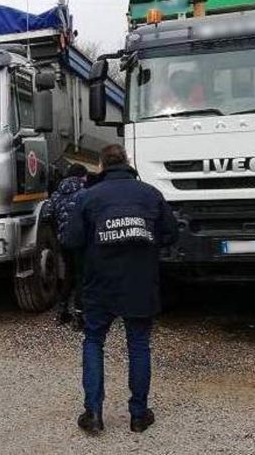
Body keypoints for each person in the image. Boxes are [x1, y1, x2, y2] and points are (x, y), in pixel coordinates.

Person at [63, 144, 178, 434]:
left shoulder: (89, 197)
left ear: (101, 165)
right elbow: (171, 234)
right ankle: (139, 415)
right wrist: (143, 243)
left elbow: (71, 240)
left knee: (94, 342)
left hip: (99, 285)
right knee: (138, 345)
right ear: (127, 162)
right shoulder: (150, 194)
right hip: (140, 283)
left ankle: (93, 413)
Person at [41, 163, 89, 326]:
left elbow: (47, 215)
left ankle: (62, 312)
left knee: (68, 274)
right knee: (82, 276)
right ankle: (80, 316)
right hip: (81, 241)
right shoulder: (85, 194)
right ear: (82, 176)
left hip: (63, 240)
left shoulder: (55, 195)